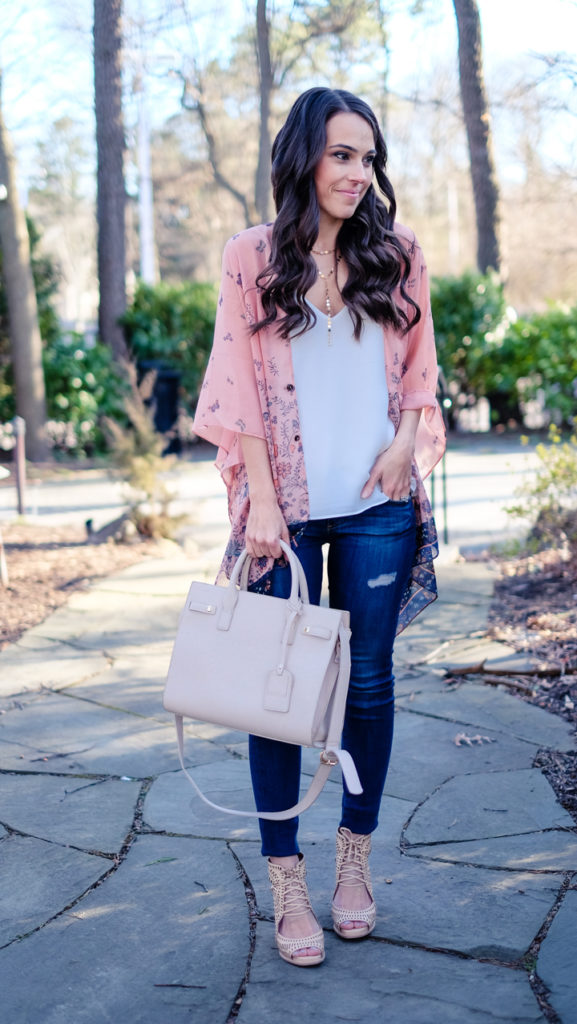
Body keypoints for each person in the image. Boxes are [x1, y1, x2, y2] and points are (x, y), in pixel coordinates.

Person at [193, 87, 446, 968]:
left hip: (377, 503)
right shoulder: (251, 257)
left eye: (368, 157)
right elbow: (237, 386)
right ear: (305, 157)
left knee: (368, 685)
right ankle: (286, 879)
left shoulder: (397, 252)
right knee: (278, 693)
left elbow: (420, 371)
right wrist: (260, 499)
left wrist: (405, 445)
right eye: (341, 154)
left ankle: (351, 866)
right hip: (284, 507)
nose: (356, 172)